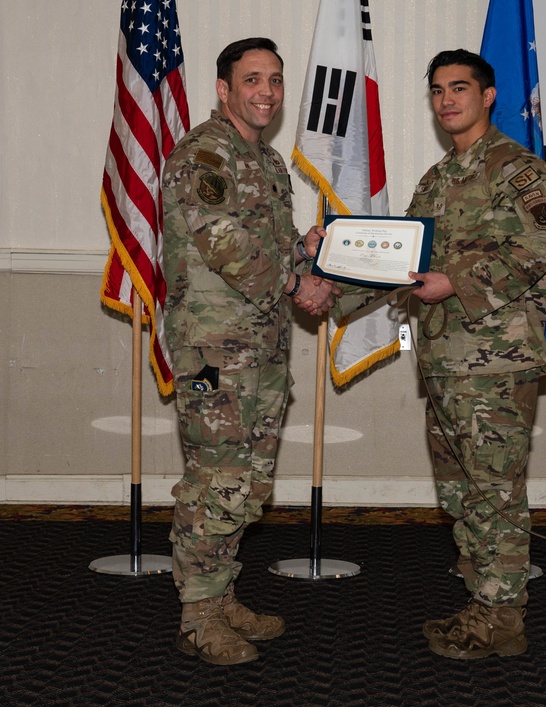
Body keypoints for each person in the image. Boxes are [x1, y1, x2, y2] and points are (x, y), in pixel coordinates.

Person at [161, 37, 340, 666]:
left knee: (248, 483)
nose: (266, 91)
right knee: (216, 479)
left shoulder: (261, 161)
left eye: (275, 80)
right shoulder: (205, 153)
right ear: (225, 88)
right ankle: (198, 614)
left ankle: (222, 593)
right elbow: (224, 243)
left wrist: (313, 251)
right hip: (214, 354)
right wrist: (297, 282)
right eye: (252, 79)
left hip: (260, 350)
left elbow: (273, 243)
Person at [406, 49, 546, 659]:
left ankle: (503, 621)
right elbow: (405, 258)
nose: (447, 100)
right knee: (461, 495)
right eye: (438, 90)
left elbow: (532, 252)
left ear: (488, 95)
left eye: (460, 88)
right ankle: (482, 606)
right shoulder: (436, 180)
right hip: (443, 361)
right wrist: (330, 269)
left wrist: (455, 283)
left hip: (494, 365)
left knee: (495, 494)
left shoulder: (517, 170)